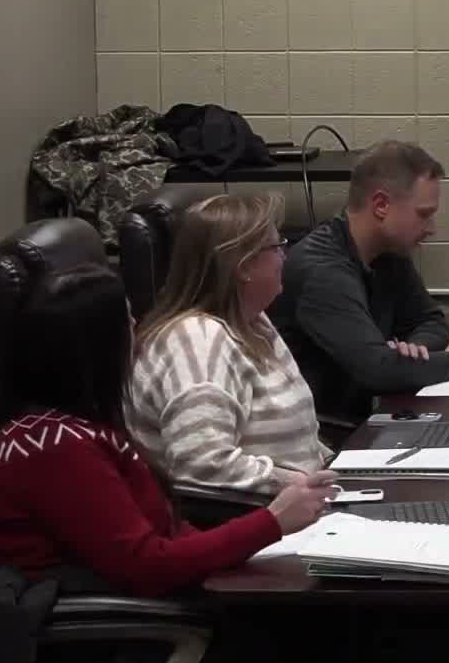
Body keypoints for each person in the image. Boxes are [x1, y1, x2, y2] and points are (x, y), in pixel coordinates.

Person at [0, 264, 334, 599]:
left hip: (151, 591)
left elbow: (163, 534)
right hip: (121, 627)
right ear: (97, 349)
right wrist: (271, 522)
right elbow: (146, 566)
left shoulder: (65, 427)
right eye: (127, 322)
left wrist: (260, 535)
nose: (136, 330)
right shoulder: (53, 449)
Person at [127, 193, 327, 495]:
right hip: (244, 515)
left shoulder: (253, 321)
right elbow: (201, 466)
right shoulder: (197, 344)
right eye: (277, 247)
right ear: (243, 266)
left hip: (297, 504)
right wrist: (297, 484)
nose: (285, 257)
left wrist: (343, 468)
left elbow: (296, 445)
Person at [271, 141, 449, 419]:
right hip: (322, 433)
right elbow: (377, 370)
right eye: (423, 214)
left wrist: (414, 351)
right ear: (381, 205)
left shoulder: (387, 252)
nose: (431, 228)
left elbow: (430, 320)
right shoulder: (321, 271)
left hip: (364, 418)